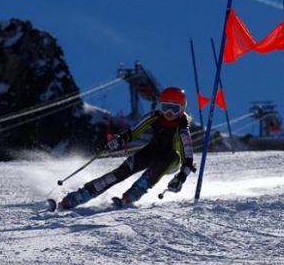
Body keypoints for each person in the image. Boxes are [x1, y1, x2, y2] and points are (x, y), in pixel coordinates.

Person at [58, 87, 196, 209]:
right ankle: (82, 194)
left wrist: (180, 178)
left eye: (175, 108)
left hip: (171, 161)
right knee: (122, 171)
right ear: (160, 106)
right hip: (152, 151)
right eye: (166, 107)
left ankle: (136, 191)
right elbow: (133, 132)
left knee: (170, 155)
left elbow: (188, 161)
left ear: (182, 109)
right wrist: (119, 140)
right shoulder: (154, 117)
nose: (169, 113)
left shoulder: (183, 131)